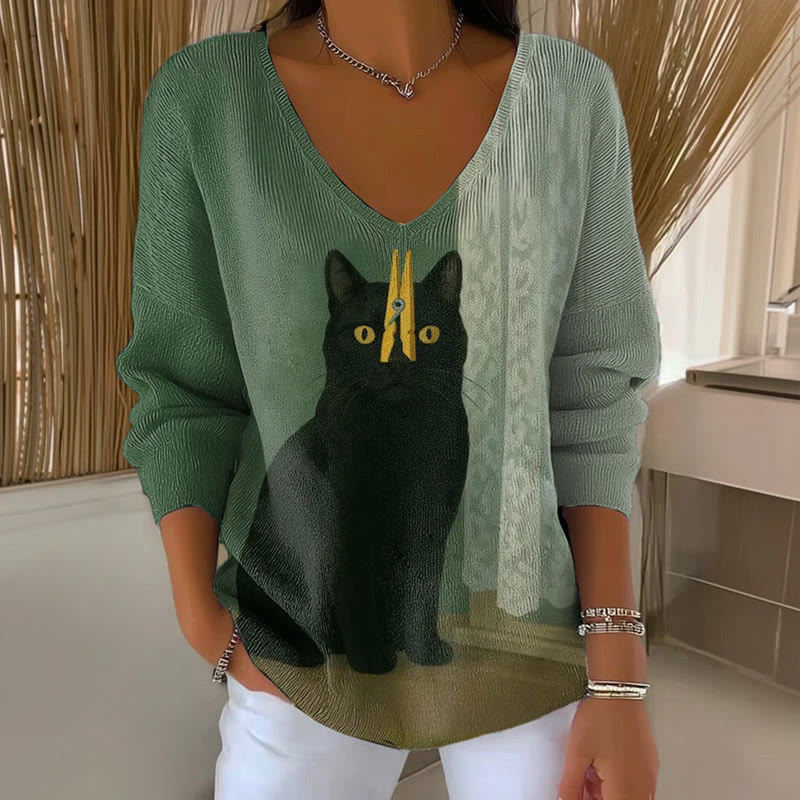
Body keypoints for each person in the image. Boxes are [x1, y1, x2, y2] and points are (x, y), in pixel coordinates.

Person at [115, 1, 662, 798]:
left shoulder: (569, 96)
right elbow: (183, 389)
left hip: (532, 652)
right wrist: (206, 624)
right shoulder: (209, 100)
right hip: (295, 655)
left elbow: (591, 405)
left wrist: (618, 681)